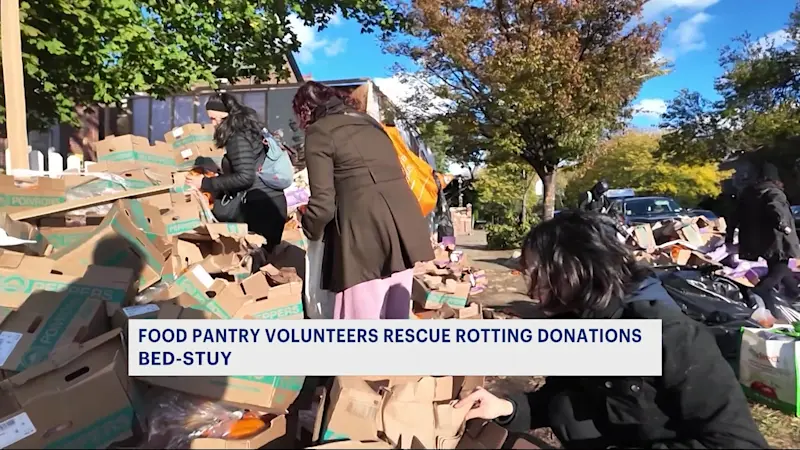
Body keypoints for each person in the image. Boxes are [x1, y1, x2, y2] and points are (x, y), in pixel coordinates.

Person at [455, 210, 767, 449]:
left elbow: (738, 442)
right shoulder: (574, 327)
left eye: (538, 271)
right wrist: (505, 407)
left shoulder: (669, 335)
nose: (529, 284)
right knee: (565, 406)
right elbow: (553, 401)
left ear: (577, 268)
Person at [292, 81, 434, 319]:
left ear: (305, 110)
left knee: (360, 319)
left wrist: (308, 228)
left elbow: (323, 204)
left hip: (365, 236)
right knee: (395, 316)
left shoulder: (320, 132)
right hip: (404, 227)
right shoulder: (369, 122)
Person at [186, 93, 288, 266]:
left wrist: (204, 183)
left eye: (213, 118)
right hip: (270, 204)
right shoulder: (249, 131)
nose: (213, 123)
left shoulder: (237, 137)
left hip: (258, 209)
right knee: (264, 267)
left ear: (225, 115)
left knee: (253, 268)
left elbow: (245, 177)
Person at [726, 162, 800, 308]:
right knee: (781, 267)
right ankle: (758, 291)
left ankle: (794, 293)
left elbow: (734, 216)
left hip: (757, 242)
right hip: (777, 241)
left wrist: (729, 235)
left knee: (778, 269)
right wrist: (783, 225)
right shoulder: (774, 192)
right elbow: (775, 208)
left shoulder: (748, 194)